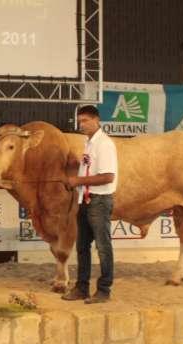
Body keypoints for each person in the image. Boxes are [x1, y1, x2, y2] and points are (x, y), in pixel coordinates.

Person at [62, 105, 118, 304]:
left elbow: (108, 176)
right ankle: (82, 287)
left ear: (96, 120)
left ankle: (104, 290)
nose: (81, 125)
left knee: (103, 246)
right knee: (82, 246)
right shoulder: (89, 143)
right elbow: (88, 171)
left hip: (99, 200)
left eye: (85, 120)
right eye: (79, 121)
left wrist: (78, 182)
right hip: (85, 199)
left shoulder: (104, 144)